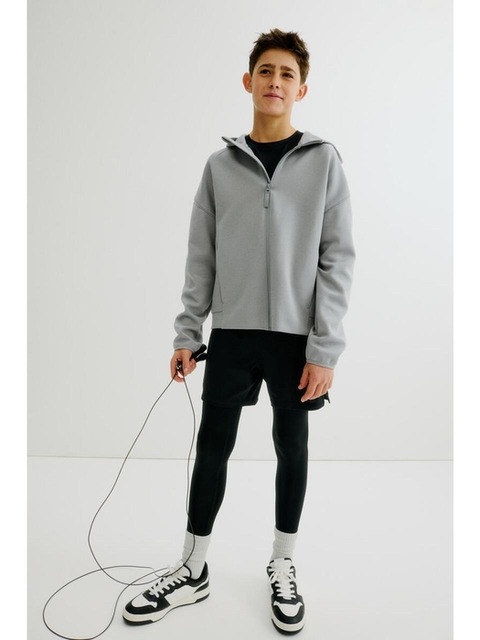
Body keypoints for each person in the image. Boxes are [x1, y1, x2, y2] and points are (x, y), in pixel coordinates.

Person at [123, 28, 355, 635]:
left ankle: (283, 563)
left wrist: (324, 348)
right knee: (213, 446)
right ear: (248, 81)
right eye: (266, 71)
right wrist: (186, 333)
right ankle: (192, 567)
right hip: (231, 332)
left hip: (296, 340)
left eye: (287, 74)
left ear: (302, 89)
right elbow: (201, 256)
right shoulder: (220, 167)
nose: (276, 82)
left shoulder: (323, 161)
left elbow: (337, 259)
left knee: (292, 447)